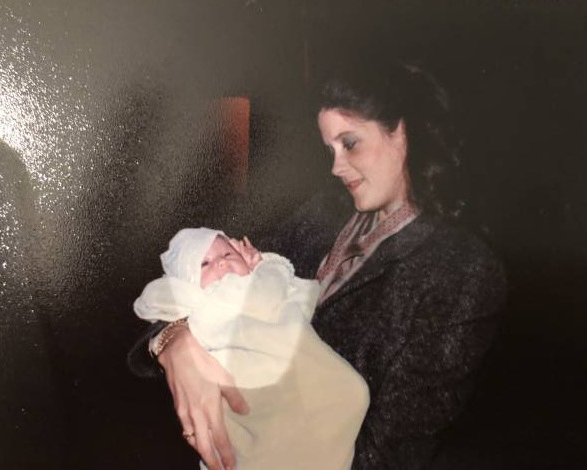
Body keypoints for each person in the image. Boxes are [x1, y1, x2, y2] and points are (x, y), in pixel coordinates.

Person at [128, 59, 507, 470]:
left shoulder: (461, 270)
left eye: (350, 143)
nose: (335, 167)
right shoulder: (323, 214)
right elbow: (198, 275)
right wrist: (174, 343)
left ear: (402, 132)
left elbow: (390, 453)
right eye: (330, 149)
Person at [133, 227, 369, 470]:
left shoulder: (254, 284)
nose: (221, 263)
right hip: (245, 394)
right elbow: (154, 301)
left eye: (227, 254)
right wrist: (171, 338)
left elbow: (301, 297)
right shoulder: (208, 299)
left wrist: (260, 265)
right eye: (204, 264)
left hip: (300, 379)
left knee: (334, 405)